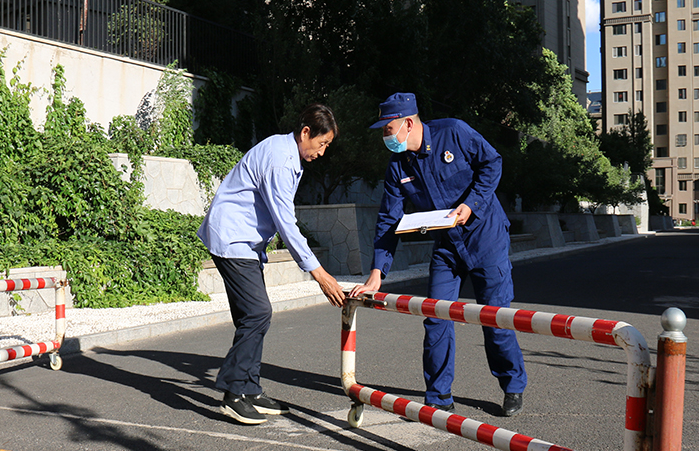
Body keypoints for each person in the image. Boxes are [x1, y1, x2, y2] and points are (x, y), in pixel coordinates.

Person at [350, 93, 527, 417]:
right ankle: (439, 395)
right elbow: (389, 219)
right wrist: (377, 273)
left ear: (407, 123)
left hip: (485, 239)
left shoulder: (454, 133)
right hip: (446, 247)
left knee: (495, 320)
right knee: (436, 317)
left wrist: (471, 204)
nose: (385, 137)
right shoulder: (397, 167)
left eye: (388, 129)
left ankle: (512, 384)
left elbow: (492, 163)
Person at [198, 104, 346, 425]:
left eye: (327, 147)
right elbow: (286, 222)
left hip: (243, 243)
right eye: (321, 144)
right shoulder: (281, 160)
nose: (322, 152)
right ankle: (234, 393)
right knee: (258, 313)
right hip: (232, 240)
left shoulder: (285, 152)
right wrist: (319, 274)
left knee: (252, 317)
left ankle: (249, 388)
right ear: (305, 132)